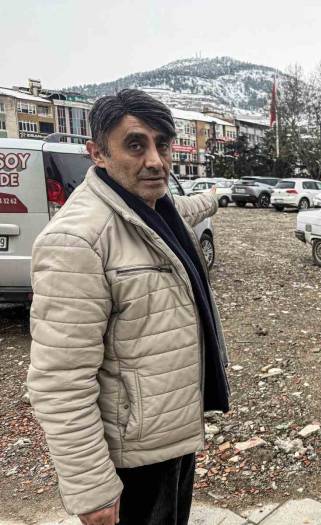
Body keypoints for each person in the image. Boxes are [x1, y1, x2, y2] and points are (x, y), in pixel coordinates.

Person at [27, 89, 230, 525]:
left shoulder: (152, 208)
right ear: (97, 153)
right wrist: (92, 488)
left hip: (169, 436)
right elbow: (59, 379)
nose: (155, 160)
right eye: (136, 145)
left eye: (163, 143)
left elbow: (185, 207)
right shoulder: (77, 240)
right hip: (131, 462)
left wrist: (215, 196)